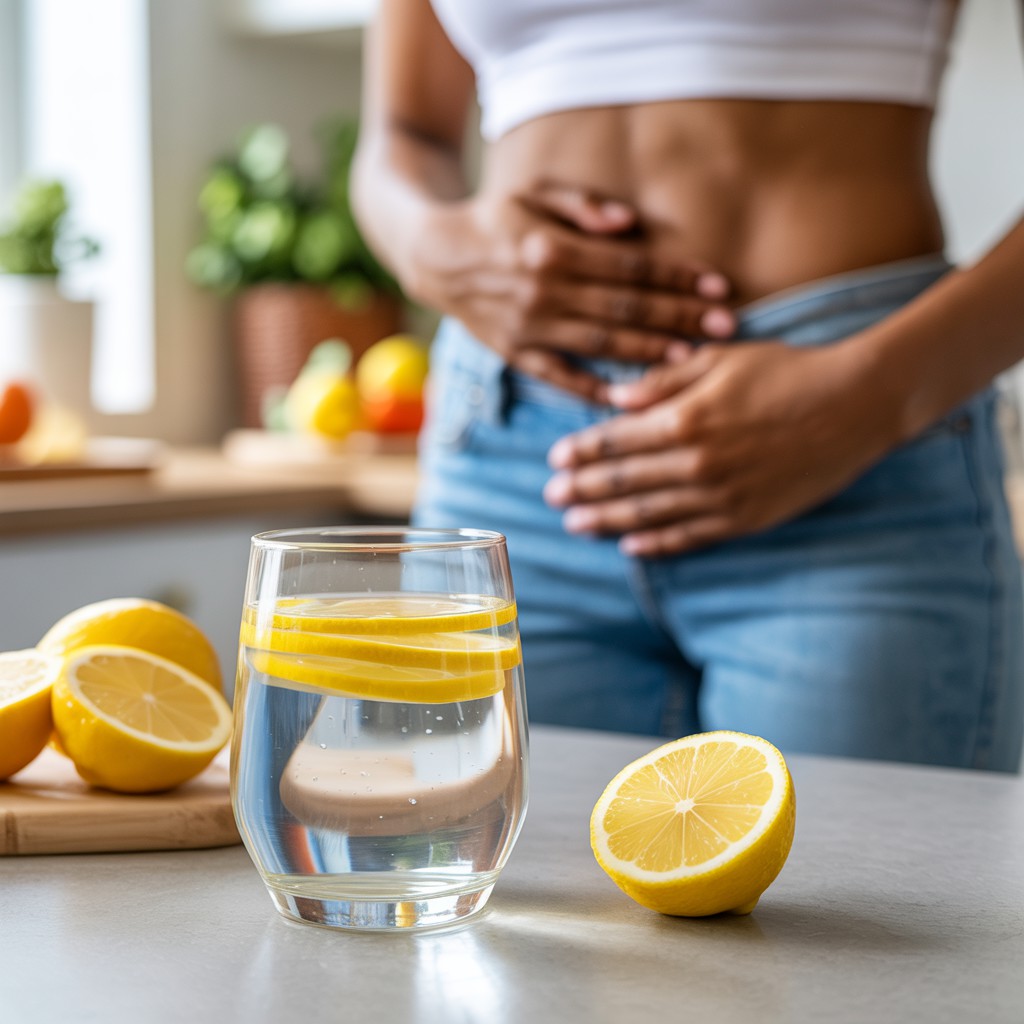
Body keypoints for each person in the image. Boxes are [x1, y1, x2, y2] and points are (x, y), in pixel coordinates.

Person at [351, 0, 1024, 771]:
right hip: (510, 466)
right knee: (484, 883)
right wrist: (429, 245)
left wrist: (871, 399)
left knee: (848, 889)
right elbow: (401, 136)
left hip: (850, 456)